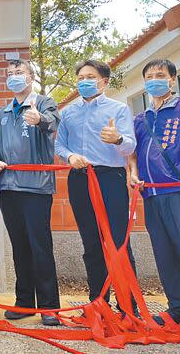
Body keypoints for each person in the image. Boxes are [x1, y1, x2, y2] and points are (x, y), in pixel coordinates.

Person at [55, 59, 137, 313]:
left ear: (104, 81)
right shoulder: (68, 112)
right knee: (91, 242)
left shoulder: (118, 109)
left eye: (90, 77)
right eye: (80, 78)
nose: (84, 82)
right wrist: (69, 157)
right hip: (80, 178)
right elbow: (59, 145)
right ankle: (97, 303)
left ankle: (128, 305)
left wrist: (118, 138)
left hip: (109, 178)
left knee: (118, 241)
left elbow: (130, 146)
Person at [0, 60, 61, 326]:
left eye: (19, 73)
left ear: (31, 77)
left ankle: (49, 306)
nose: (13, 77)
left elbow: (53, 124)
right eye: (9, 74)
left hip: (36, 187)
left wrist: (39, 119)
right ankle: (24, 302)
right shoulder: (3, 113)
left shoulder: (44, 102)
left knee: (40, 246)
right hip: (9, 187)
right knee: (19, 247)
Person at [129, 59, 180, 327]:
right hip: (151, 196)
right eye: (149, 76)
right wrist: (133, 174)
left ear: (172, 80)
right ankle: (176, 307)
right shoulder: (140, 118)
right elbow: (132, 154)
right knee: (164, 252)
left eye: (161, 75)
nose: (154, 79)